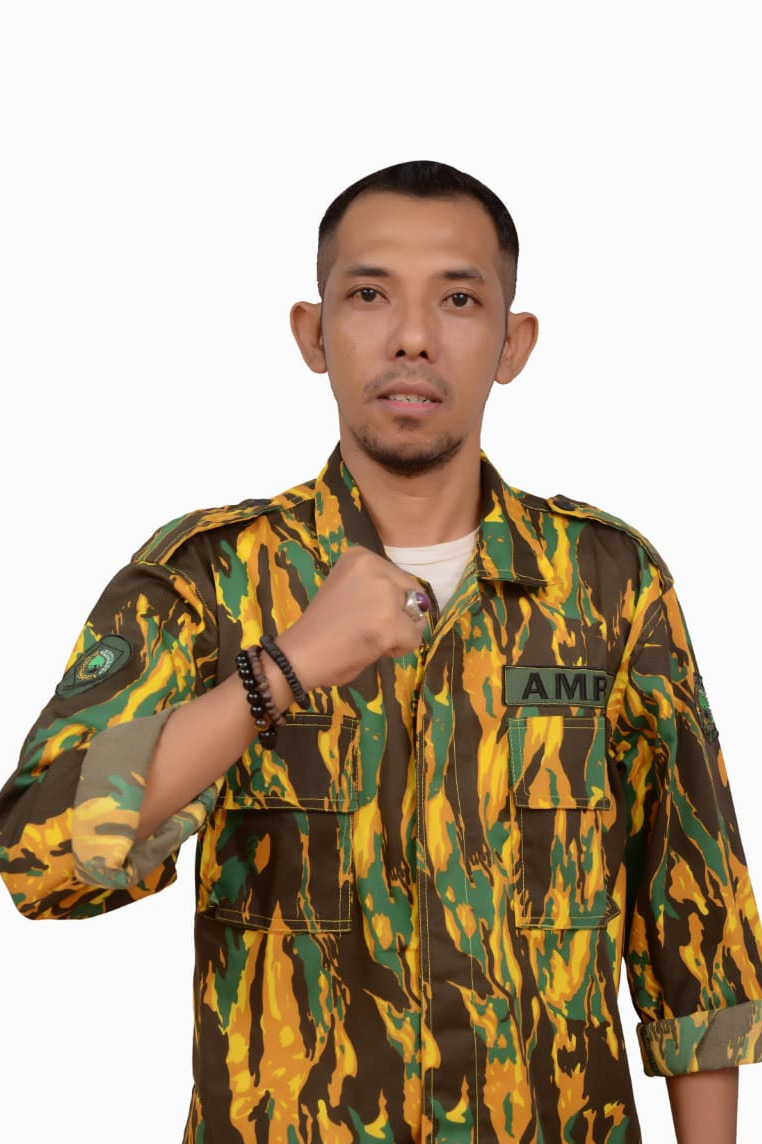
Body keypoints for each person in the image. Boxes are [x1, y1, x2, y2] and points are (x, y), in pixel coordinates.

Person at [1, 160, 760, 1144]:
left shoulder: (609, 584)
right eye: (369, 295)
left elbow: (694, 925)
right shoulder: (209, 580)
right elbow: (39, 856)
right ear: (313, 333)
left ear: (512, 343)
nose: (412, 336)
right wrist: (281, 671)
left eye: (458, 298)